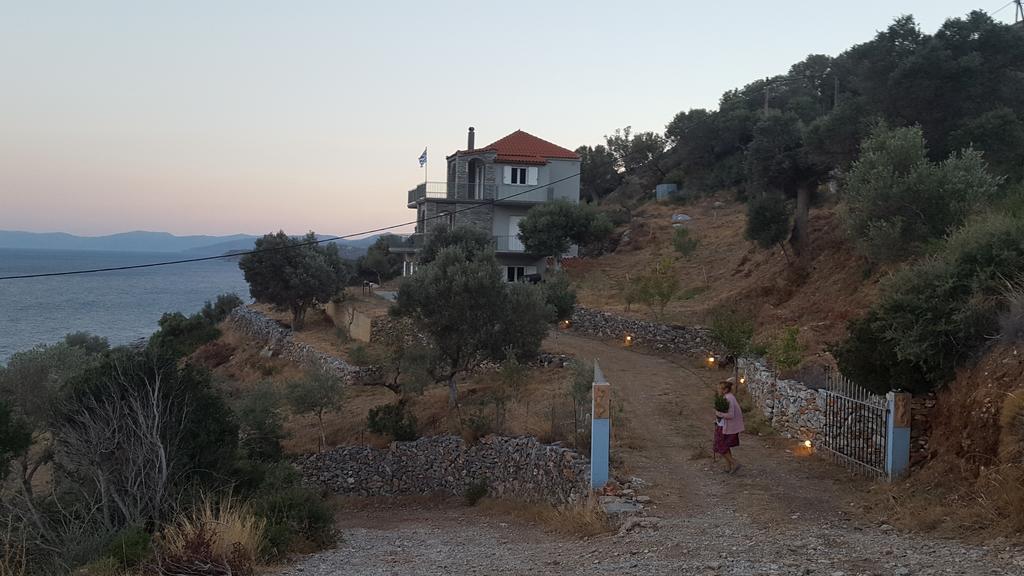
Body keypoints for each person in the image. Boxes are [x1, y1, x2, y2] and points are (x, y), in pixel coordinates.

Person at [713, 379, 745, 474]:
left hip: (727, 427)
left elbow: (730, 415)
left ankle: (734, 463)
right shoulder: (729, 397)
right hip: (725, 425)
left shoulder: (728, 399)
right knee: (725, 446)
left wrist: (718, 413)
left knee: (720, 445)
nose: (718, 390)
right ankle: (728, 467)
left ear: (726, 390)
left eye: (720, 388)